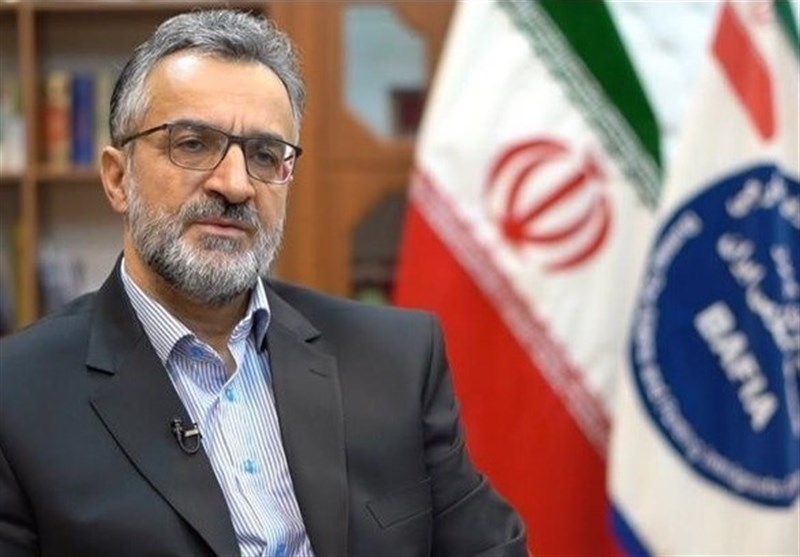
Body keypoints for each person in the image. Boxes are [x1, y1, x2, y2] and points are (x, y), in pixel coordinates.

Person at [0, 9, 527, 557]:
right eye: (193, 143)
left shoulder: (396, 360)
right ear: (118, 179)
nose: (235, 185)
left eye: (265, 155)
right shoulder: (15, 397)